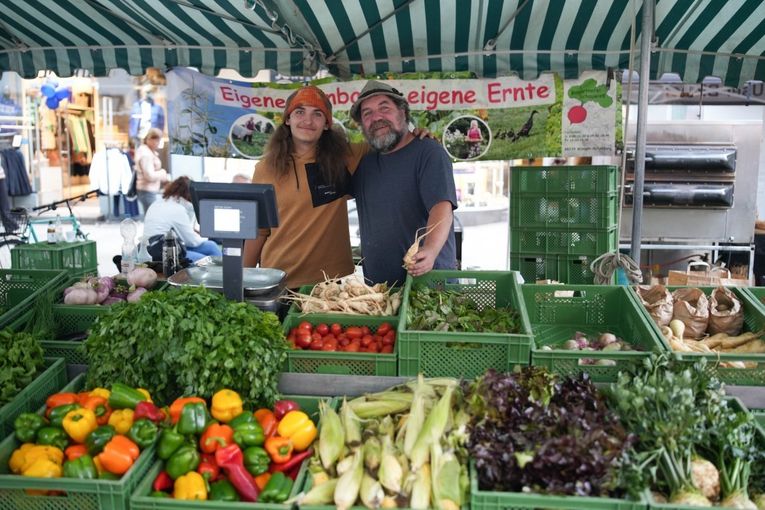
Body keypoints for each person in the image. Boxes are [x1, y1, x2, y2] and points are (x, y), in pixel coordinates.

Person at [242, 86, 366, 289]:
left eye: (317, 114)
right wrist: (242, 281)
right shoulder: (265, 168)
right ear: (288, 119)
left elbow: (391, 145)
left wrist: (419, 137)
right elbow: (259, 230)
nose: (308, 121)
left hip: (328, 283)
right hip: (278, 279)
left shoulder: (345, 157)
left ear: (327, 124)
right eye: (300, 112)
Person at [349, 80, 458, 285]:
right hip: (379, 291)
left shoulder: (429, 153)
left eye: (384, 108)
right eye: (367, 114)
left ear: (403, 112)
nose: (377, 118)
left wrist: (431, 249)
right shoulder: (364, 163)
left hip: (429, 287)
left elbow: (442, 207)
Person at [143, 176, 222, 263]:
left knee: (211, 246)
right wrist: (208, 237)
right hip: (163, 252)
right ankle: (222, 269)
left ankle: (222, 267)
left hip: (154, 247)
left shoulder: (160, 202)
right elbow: (192, 241)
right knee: (206, 261)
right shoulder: (177, 209)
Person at [134, 128, 169, 215]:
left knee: (151, 217)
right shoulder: (146, 154)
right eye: (157, 140)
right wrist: (162, 173)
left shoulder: (148, 152)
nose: (158, 143)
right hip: (147, 190)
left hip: (147, 190)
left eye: (159, 140)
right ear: (149, 139)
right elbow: (149, 175)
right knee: (152, 217)